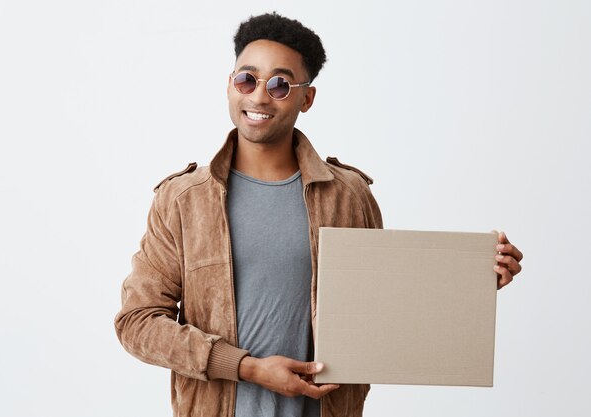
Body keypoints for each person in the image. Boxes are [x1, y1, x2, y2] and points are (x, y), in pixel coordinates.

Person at [114, 12, 524, 417]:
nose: (258, 96)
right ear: (229, 85)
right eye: (247, 79)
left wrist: (472, 285)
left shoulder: (348, 195)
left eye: (279, 85)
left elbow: (381, 312)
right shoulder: (183, 201)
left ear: (306, 98)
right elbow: (137, 322)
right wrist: (246, 367)